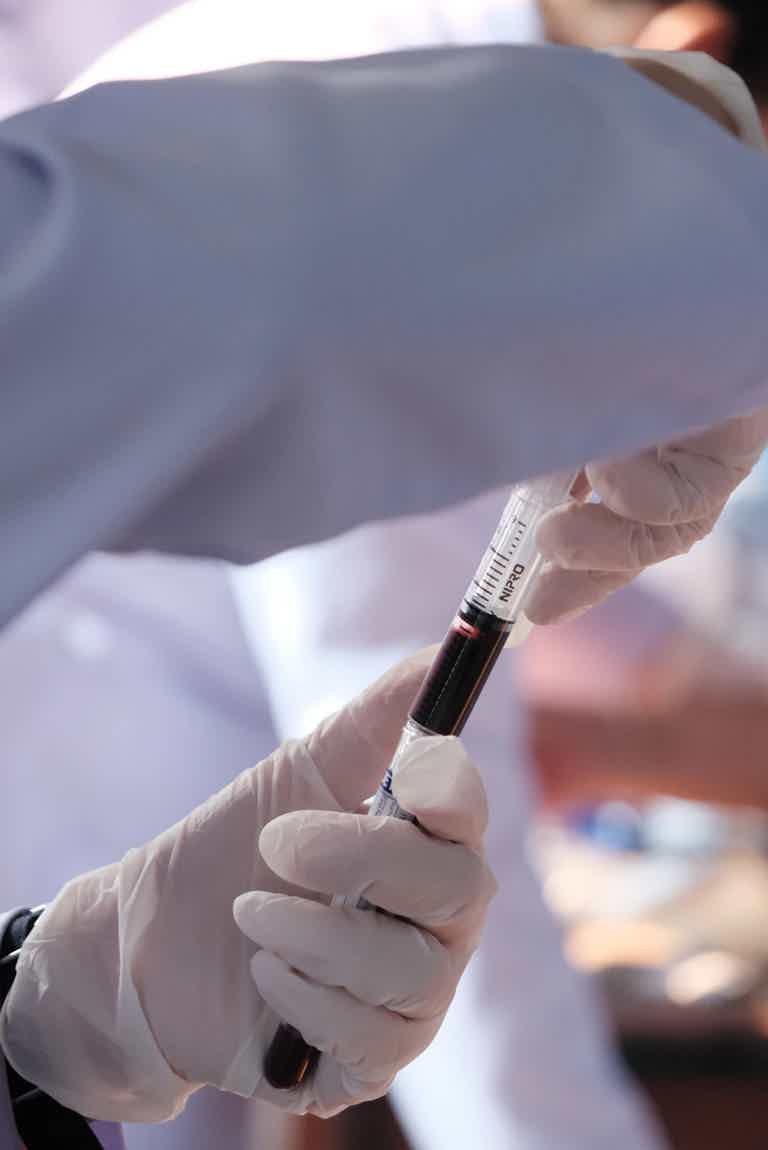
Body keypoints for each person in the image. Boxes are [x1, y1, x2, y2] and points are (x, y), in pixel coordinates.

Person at [2, 17, 768, 1150]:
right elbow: (419, 739)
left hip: (119, 978)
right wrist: (694, 210)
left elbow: (613, 640)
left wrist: (40, 1025)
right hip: (110, 815)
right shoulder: (356, 89)